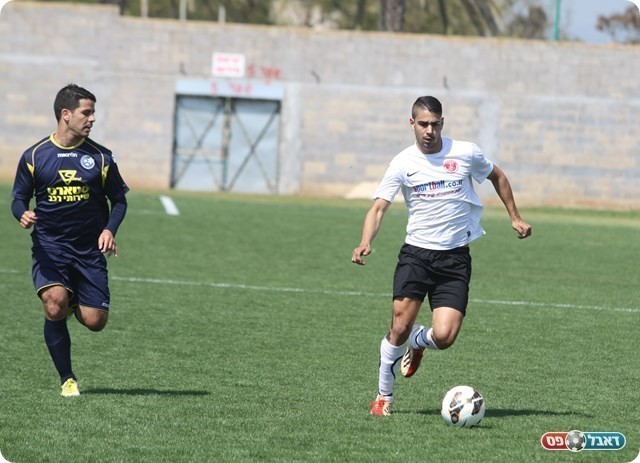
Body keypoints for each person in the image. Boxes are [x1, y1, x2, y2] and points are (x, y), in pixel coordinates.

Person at [351, 96, 532, 416]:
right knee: (399, 327)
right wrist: (365, 241)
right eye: (423, 124)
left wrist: (514, 217)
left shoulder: (465, 153)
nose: (429, 131)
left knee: (445, 336)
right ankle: (383, 397)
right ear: (412, 123)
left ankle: (418, 342)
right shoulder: (402, 163)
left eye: (435, 124)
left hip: (454, 259)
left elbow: (498, 176)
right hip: (416, 256)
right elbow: (378, 208)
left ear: (442, 123)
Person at [11, 84, 129, 397]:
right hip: (50, 247)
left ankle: (74, 300)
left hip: (88, 250)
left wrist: (109, 230)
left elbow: (119, 200)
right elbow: (18, 198)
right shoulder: (35, 156)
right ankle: (68, 379)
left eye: (93, 113)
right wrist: (22, 213)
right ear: (66, 114)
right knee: (54, 304)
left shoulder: (101, 157)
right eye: (86, 112)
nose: (92, 119)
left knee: (95, 321)